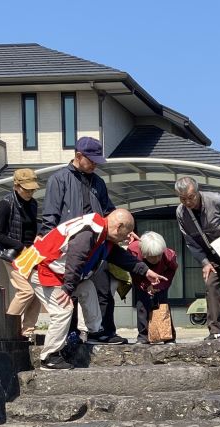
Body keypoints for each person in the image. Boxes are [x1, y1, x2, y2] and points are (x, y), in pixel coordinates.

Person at [19, 209, 162, 370]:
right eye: (125, 234)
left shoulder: (102, 233)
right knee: (63, 309)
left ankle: (95, 331)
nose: (126, 238)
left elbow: (119, 256)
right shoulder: (90, 231)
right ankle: (49, 357)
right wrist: (68, 288)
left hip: (56, 271)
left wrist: (145, 271)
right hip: (42, 268)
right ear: (118, 227)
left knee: (87, 287)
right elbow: (76, 256)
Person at [40, 136, 125, 344]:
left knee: (103, 289)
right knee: (68, 293)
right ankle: (70, 336)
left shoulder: (99, 182)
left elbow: (108, 211)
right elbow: (50, 217)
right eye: (92, 160)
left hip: (95, 245)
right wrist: (51, 252)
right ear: (79, 156)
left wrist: (123, 228)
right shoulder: (59, 179)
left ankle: (102, 332)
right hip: (67, 248)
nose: (95, 165)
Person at [174, 176, 220, 341]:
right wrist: (204, 262)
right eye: (183, 199)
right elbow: (190, 241)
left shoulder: (218, 200)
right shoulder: (181, 212)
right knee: (210, 284)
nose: (188, 202)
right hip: (210, 253)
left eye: (191, 197)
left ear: (197, 191)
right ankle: (216, 330)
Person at [0, 168, 41, 338]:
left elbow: (32, 229)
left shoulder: (33, 204)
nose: (30, 193)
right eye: (26, 189)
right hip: (11, 255)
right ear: (16, 186)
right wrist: (20, 246)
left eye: (32, 189)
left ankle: (27, 331)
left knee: (38, 291)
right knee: (26, 291)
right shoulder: (6, 204)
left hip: (30, 255)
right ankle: (7, 330)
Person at [121, 231, 179, 344]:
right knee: (142, 305)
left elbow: (171, 272)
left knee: (163, 304)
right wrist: (146, 286)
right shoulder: (133, 251)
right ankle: (143, 337)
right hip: (141, 278)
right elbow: (134, 272)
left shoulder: (169, 256)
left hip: (161, 279)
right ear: (144, 253)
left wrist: (160, 286)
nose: (156, 259)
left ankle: (168, 337)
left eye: (159, 255)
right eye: (152, 257)